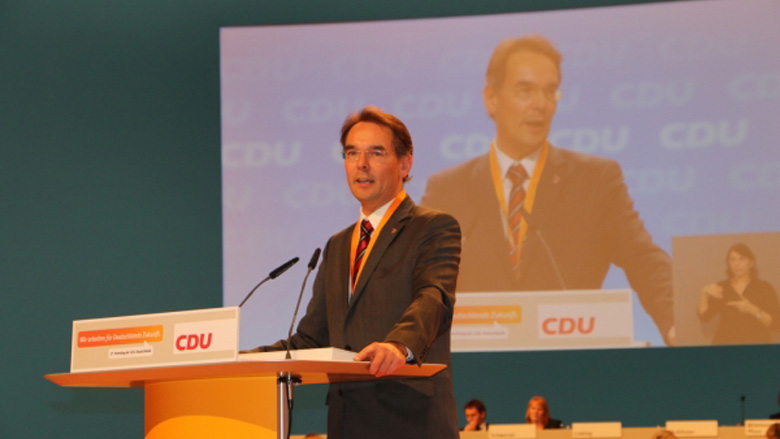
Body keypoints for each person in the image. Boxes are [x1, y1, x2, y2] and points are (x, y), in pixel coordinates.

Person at [420, 35, 674, 344]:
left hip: (571, 358)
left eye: (550, 91)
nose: (541, 104)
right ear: (491, 98)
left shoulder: (595, 180)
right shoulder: (447, 190)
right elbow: (422, 282)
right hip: (476, 361)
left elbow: (643, 259)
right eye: (525, 90)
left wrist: (677, 321)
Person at [246, 106, 461, 439]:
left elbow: (434, 297)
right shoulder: (338, 245)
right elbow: (312, 339)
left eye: (376, 152)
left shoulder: (432, 227)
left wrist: (399, 345)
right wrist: (243, 359)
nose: (361, 164)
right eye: (352, 153)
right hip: (347, 422)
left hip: (410, 420)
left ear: (405, 164)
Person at [697, 243, 780, 345]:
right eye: (733, 259)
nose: (737, 263)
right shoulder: (721, 288)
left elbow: (776, 324)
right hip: (725, 346)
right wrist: (704, 294)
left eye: (742, 259)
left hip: (756, 346)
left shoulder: (764, 288)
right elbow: (705, 317)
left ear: (751, 263)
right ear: (728, 263)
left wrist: (752, 310)